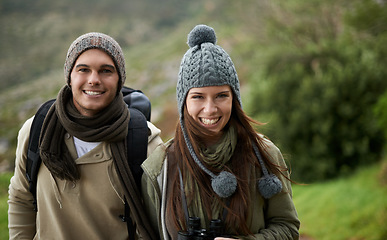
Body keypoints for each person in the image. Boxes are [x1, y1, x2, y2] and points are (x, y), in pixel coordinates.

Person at [141, 24, 300, 239]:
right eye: (198, 96)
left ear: (234, 98)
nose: (210, 108)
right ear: (184, 102)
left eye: (221, 95)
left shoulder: (263, 155)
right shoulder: (160, 167)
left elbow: (288, 228)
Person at [8, 32, 163, 239]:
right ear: (69, 77)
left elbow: (155, 222)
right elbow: (21, 199)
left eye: (106, 71)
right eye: (83, 69)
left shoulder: (145, 142)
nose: (94, 80)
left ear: (119, 80)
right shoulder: (37, 130)